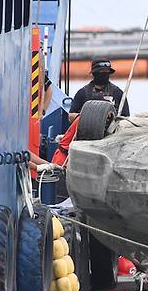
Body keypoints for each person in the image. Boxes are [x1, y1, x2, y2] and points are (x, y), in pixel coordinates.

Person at [51, 58, 130, 200]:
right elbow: (71, 116)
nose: (103, 75)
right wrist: (91, 116)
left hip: (108, 143)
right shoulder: (83, 93)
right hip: (84, 142)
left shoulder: (117, 93)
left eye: (106, 72)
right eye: (100, 72)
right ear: (94, 73)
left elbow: (126, 118)